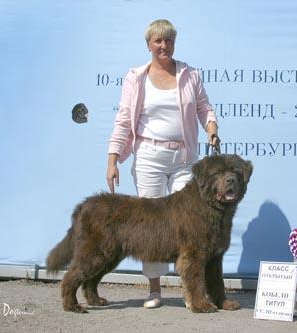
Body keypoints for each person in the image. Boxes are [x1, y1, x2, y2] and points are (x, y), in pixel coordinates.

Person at [106, 19, 219, 309]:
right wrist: (113, 159)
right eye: (157, 41)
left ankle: (194, 292)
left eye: (168, 40)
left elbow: (204, 107)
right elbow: (122, 121)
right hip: (149, 157)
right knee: (153, 228)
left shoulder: (190, 74)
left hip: (184, 159)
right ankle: (154, 290)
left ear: (174, 42)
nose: (163, 45)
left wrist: (211, 126)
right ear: (148, 45)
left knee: (192, 226)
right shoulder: (136, 77)